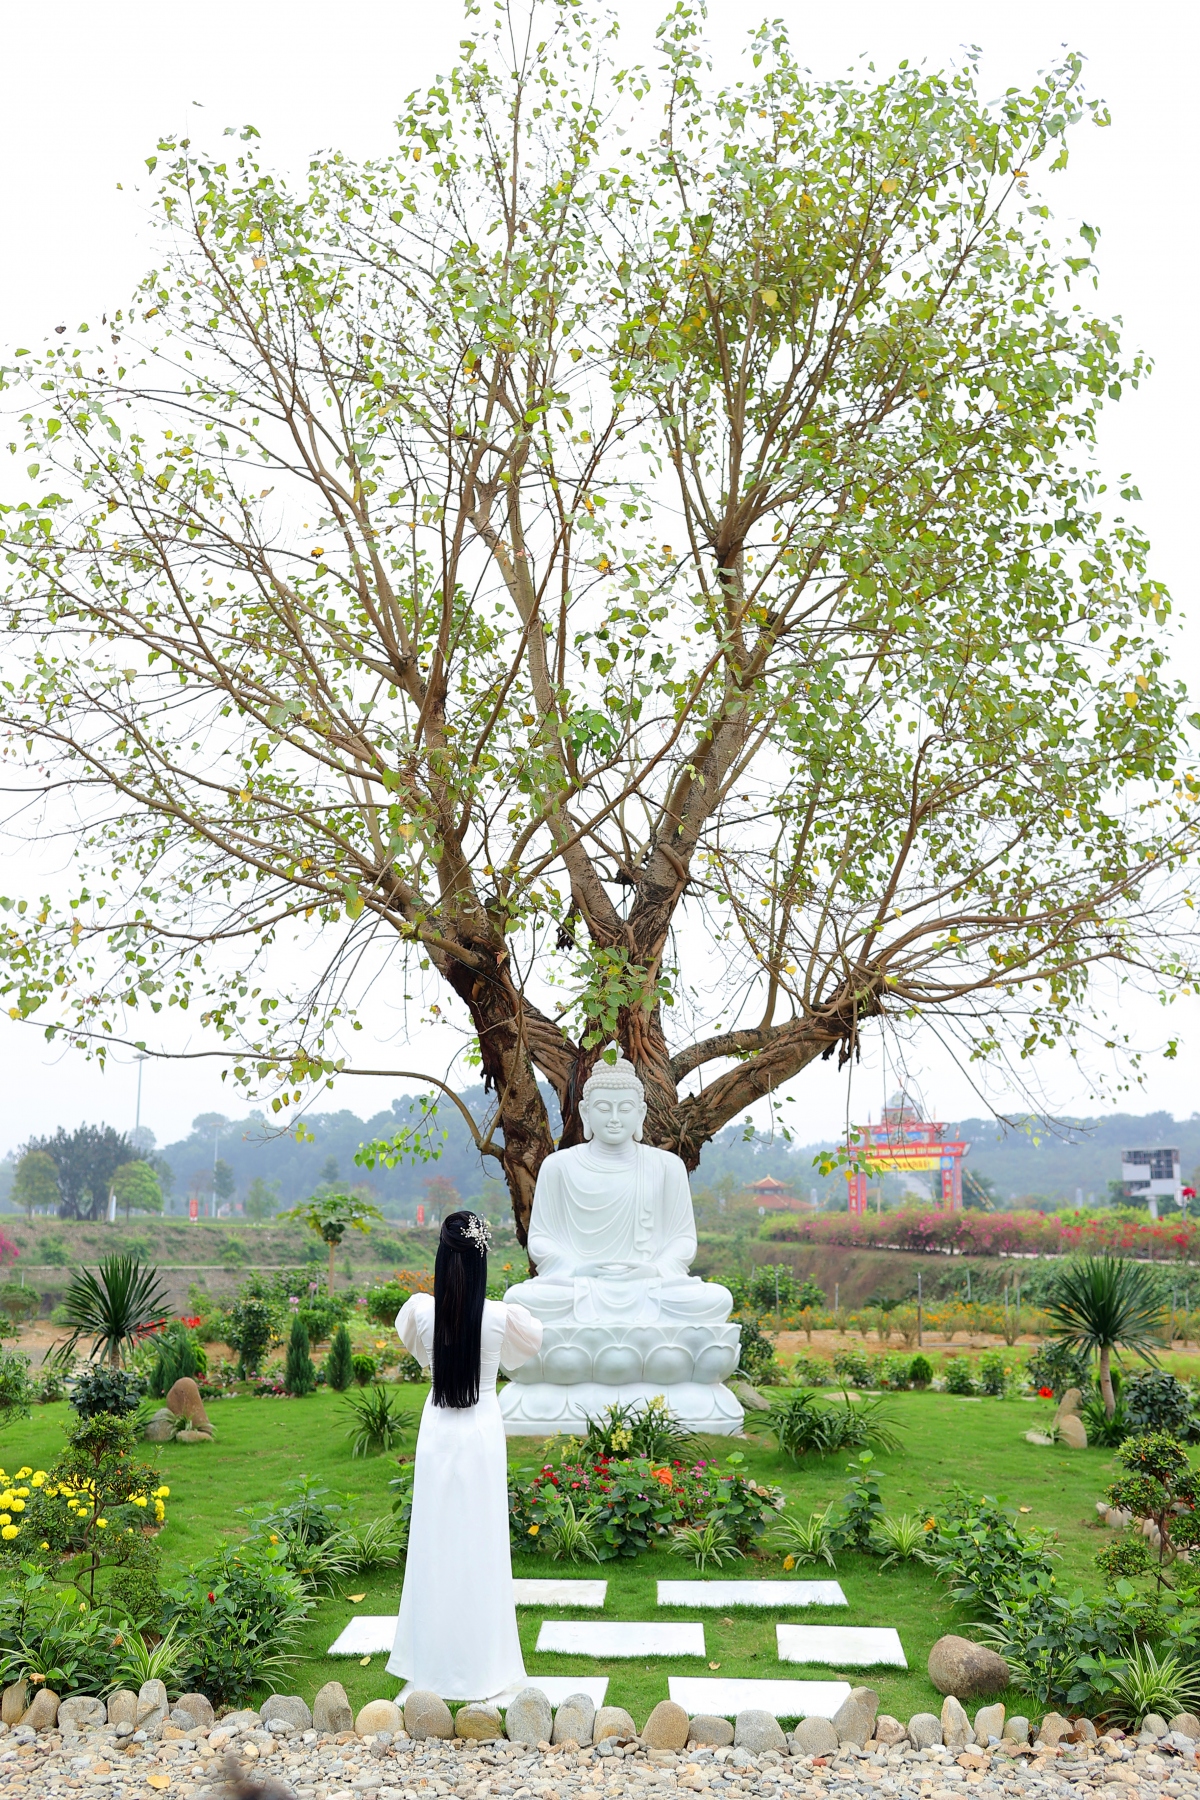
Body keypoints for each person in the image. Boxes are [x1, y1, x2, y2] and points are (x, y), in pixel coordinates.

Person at [387, 1210, 542, 1699]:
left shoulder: (420, 1312)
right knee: (481, 1545)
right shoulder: (501, 1318)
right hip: (481, 1431)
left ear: (440, 1256)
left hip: (438, 1428)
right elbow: (526, 1353)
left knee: (434, 1544)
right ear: (482, 1261)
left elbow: (416, 1348)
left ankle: (431, 1667)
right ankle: (483, 1669)